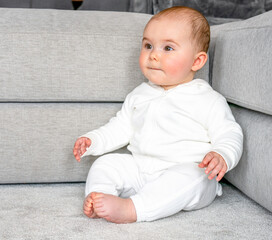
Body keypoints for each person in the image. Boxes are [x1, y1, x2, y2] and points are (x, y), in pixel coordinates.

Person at [73, 6, 243, 224]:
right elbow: (121, 127)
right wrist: (93, 140)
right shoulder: (139, 95)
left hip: (184, 171)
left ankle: (134, 209)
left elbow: (229, 132)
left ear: (197, 61)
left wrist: (222, 155)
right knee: (106, 164)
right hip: (141, 168)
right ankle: (99, 198)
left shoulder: (207, 99)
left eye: (168, 48)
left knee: (196, 178)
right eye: (148, 45)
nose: (153, 55)